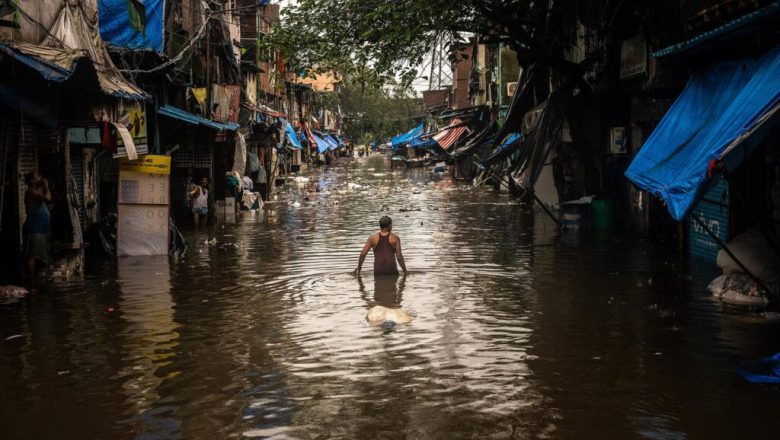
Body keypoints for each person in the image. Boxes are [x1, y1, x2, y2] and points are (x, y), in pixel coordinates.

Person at [23, 172, 51, 289]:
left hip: (41, 229)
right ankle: (32, 282)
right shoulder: (32, 192)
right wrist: (46, 186)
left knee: (40, 257)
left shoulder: (36, 192)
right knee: (32, 256)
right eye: (37, 176)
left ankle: (34, 279)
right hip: (35, 228)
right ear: (32, 181)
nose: (40, 177)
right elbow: (48, 199)